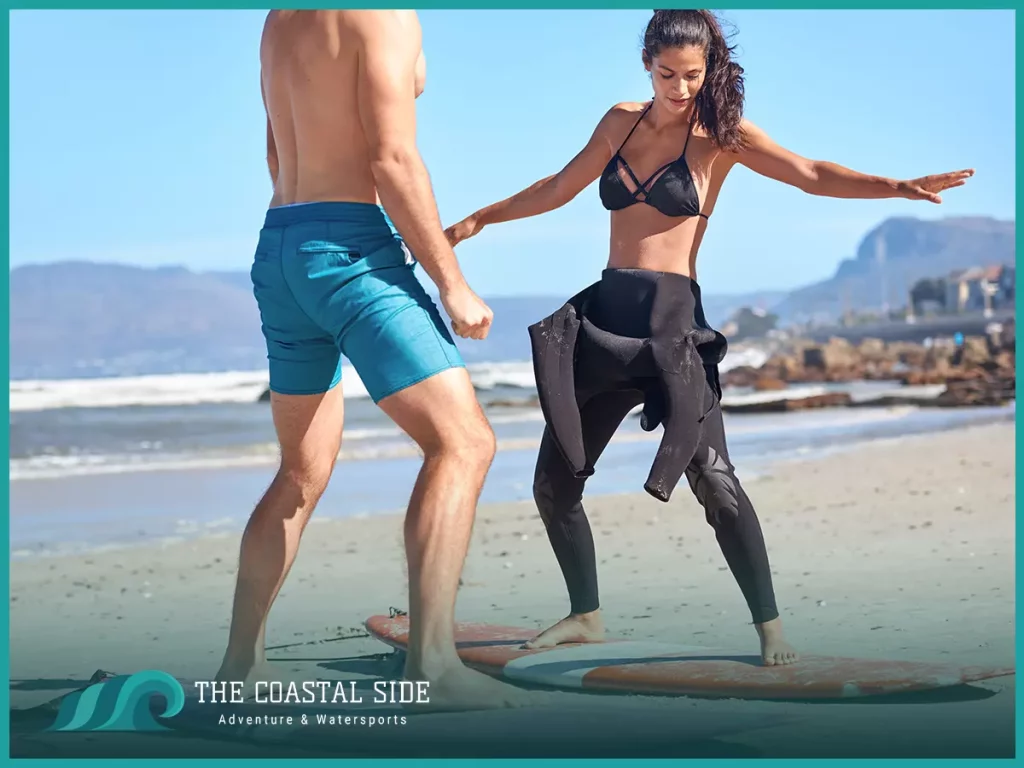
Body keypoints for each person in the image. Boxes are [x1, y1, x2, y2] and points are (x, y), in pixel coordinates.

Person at [445, 9, 973, 666]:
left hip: (672, 330)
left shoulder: (721, 136)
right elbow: (558, 186)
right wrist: (478, 220)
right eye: (667, 74)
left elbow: (809, 173)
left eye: (691, 75)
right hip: (607, 323)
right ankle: (586, 616)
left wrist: (896, 186)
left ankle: (772, 630)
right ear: (647, 64)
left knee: (716, 482)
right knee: (553, 484)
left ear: (709, 70)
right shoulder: (620, 121)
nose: (678, 87)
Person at [216, 10, 527, 709]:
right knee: (464, 442)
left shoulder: (280, 19)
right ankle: (433, 665)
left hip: (282, 243)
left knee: (301, 471)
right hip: (350, 248)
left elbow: (276, 149)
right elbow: (392, 158)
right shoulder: (381, 14)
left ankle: (241, 667)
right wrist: (452, 284)